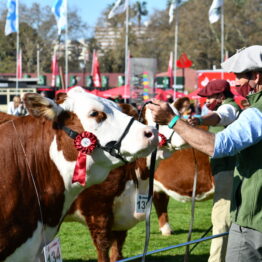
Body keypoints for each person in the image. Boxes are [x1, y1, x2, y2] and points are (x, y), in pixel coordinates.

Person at [148, 45, 262, 262]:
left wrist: (173, 121)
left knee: (221, 223)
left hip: (254, 217)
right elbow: (218, 117)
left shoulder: (256, 110)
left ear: (256, 76)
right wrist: (198, 121)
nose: (236, 83)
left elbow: (217, 144)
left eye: (239, 77)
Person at [189, 79, 241, 262]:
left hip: (230, 171)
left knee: (221, 223)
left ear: (220, 96)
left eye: (208, 97)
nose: (205, 102)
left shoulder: (229, 107)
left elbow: (220, 117)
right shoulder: (229, 106)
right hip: (228, 171)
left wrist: (200, 119)